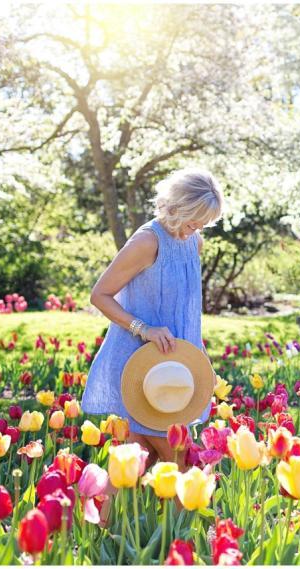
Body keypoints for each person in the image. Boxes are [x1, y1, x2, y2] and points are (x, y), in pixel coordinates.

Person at [82, 167, 225, 468]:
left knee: (135, 464)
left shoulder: (193, 243)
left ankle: (98, 516)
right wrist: (143, 329)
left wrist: (199, 358)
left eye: (202, 225)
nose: (195, 231)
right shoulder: (147, 242)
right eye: (192, 222)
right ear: (175, 207)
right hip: (146, 367)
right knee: (183, 462)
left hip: (176, 367)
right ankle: (203, 518)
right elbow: (100, 295)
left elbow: (187, 311)